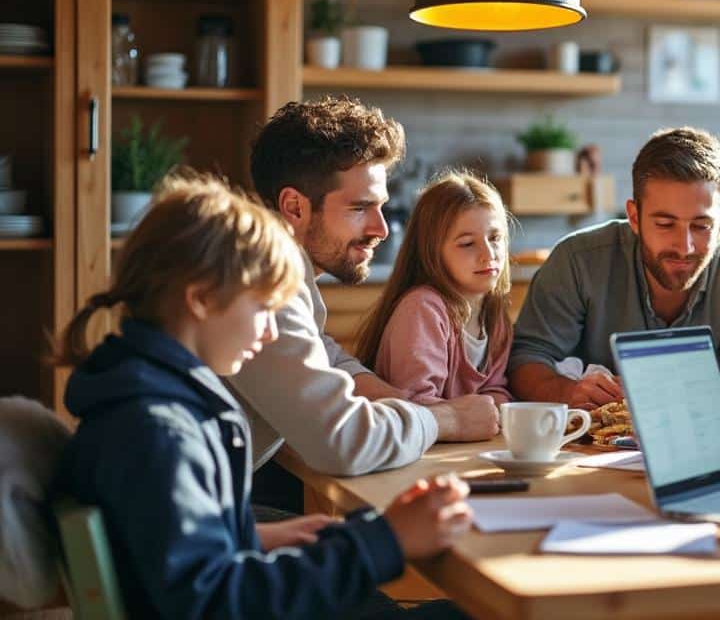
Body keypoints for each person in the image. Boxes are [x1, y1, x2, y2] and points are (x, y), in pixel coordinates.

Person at [53, 175, 473, 618]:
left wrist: (252, 537)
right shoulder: (160, 433)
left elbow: (168, 551)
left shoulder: (158, 398)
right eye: (263, 308)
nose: (272, 332)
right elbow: (213, 602)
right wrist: (383, 540)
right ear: (201, 299)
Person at [231, 97, 498, 491]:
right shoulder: (261, 284)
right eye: (360, 208)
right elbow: (341, 443)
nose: (382, 229)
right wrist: (449, 420)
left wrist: (413, 408)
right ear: (294, 207)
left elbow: (328, 358)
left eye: (381, 207)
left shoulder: (272, 268)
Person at [509, 127, 720, 408]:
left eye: (701, 226)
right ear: (634, 217)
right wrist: (566, 392)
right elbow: (526, 358)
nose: (684, 246)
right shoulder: (577, 260)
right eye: (664, 224)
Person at [356, 171, 512, 409]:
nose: (488, 255)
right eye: (468, 244)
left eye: (495, 238)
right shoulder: (423, 309)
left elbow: (495, 389)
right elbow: (416, 404)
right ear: (431, 251)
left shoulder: (494, 315)